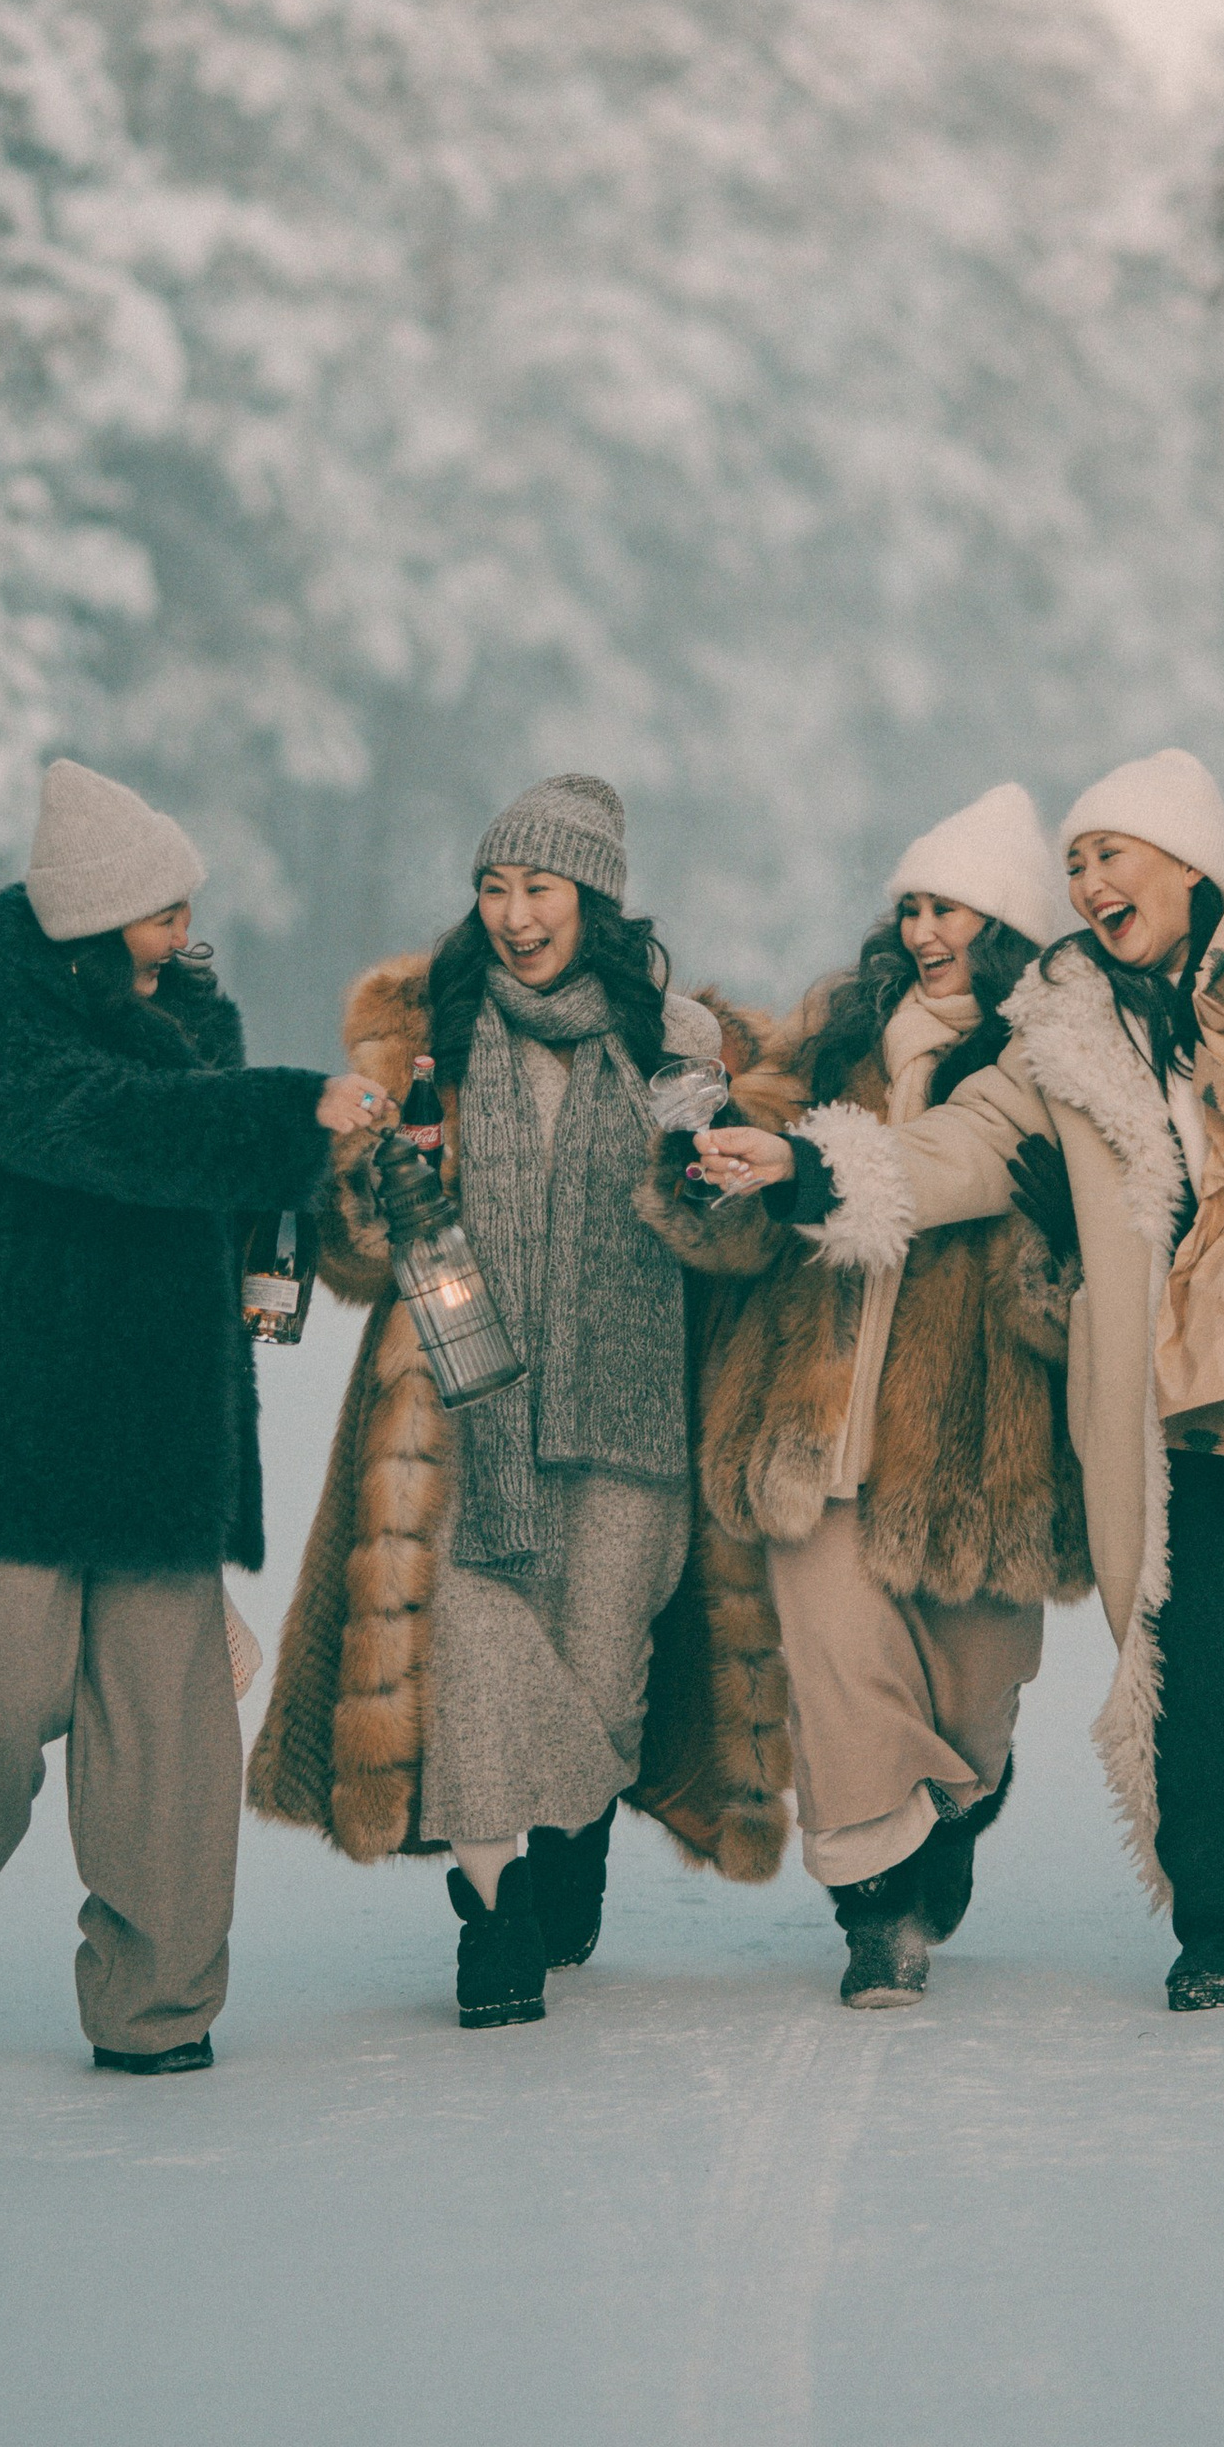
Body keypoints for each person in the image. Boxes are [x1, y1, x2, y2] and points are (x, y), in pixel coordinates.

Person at [694, 748, 1224, 2012]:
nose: (1085, 883)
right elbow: (958, 1146)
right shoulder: (1062, 1034)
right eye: (1071, 865)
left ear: (1188, 864)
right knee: (1194, 1665)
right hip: (1165, 1395)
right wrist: (810, 1171)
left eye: (1107, 854)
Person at [0, 759, 382, 2074]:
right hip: (4, 1428)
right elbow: (103, 1130)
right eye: (163, 907)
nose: (187, 928)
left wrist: (300, 1187)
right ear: (94, 914)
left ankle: (158, 2011)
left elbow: (201, 1165)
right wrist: (275, 1116)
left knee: (172, 1737)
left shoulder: (199, 1016)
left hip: (160, 1428)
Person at [249, 775, 733, 2031]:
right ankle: (493, 1920)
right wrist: (373, 1193)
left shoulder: (675, 1039)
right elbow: (358, 1254)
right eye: (494, 887)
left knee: (597, 1689)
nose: (514, 914)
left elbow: (721, 1240)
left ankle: (567, 1843)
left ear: (598, 899)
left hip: (629, 1421)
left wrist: (713, 1168)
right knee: (470, 1653)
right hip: (469, 1406)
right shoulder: (431, 1034)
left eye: (541, 889)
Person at [644, 786, 1092, 2006]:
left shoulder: (1049, 1067)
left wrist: (1063, 1261)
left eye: (949, 908)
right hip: (810, 1416)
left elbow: (1068, 1277)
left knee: (974, 1691)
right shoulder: (831, 1045)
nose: (924, 930)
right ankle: (874, 1915)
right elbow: (757, 1182)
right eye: (910, 907)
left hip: (979, 1445)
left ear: (1003, 925)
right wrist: (719, 1167)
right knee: (840, 1675)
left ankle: (950, 1810)